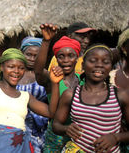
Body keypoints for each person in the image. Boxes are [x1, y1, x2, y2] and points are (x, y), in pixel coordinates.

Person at [0, 48, 60, 153]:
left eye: (21, 68)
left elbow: (51, 112)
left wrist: (55, 83)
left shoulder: (25, 96)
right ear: (1, 67)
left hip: (20, 146)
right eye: (11, 67)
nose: (16, 71)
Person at [52, 44, 129, 152]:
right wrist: (66, 128)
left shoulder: (120, 95)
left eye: (105, 62)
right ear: (83, 65)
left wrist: (116, 137)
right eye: (93, 61)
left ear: (111, 67)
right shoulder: (70, 94)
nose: (99, 65)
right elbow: (56, 125)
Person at [34, 24, 85, 152]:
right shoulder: (52, 79)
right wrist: (46, 42)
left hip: (80, 136)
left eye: (70, 56)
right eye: (61, 56)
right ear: (56, 58)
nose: (66, 60)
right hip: (56, 136)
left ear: (77, 57)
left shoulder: (84, 80)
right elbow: (39, 72)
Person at [16, 37, 48, 153]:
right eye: (28, 54)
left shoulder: (44, 76)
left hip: (38, 127)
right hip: (17, 123)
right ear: (22, 53)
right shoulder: (14, 73)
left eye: (36, 56)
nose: (32, 59)